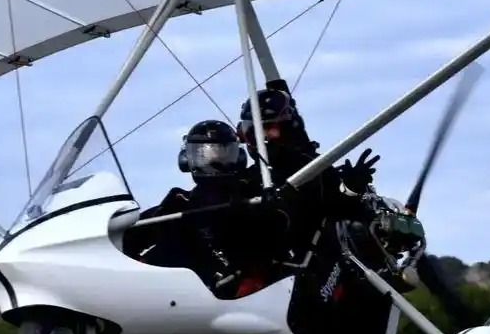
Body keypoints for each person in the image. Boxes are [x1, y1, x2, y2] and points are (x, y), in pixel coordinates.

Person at [126, 119, 287, 297]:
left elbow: (278, 230)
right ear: (188, 159)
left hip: (239, 295)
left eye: (222, 156)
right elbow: (134, 232)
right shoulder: (178, 204)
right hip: (173, 295)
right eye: (203, 156)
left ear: (238, 157)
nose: (213, 164)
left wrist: (269, 210)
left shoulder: (252, 195)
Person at [235, 84, 380, 280]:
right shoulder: (247, 179)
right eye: (255, 132)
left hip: (315, 269)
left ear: (288, 127)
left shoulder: (311, 168)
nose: (263, 138)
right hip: (266, 271)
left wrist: (352, 188)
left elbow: (340, 208)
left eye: (269, 128)